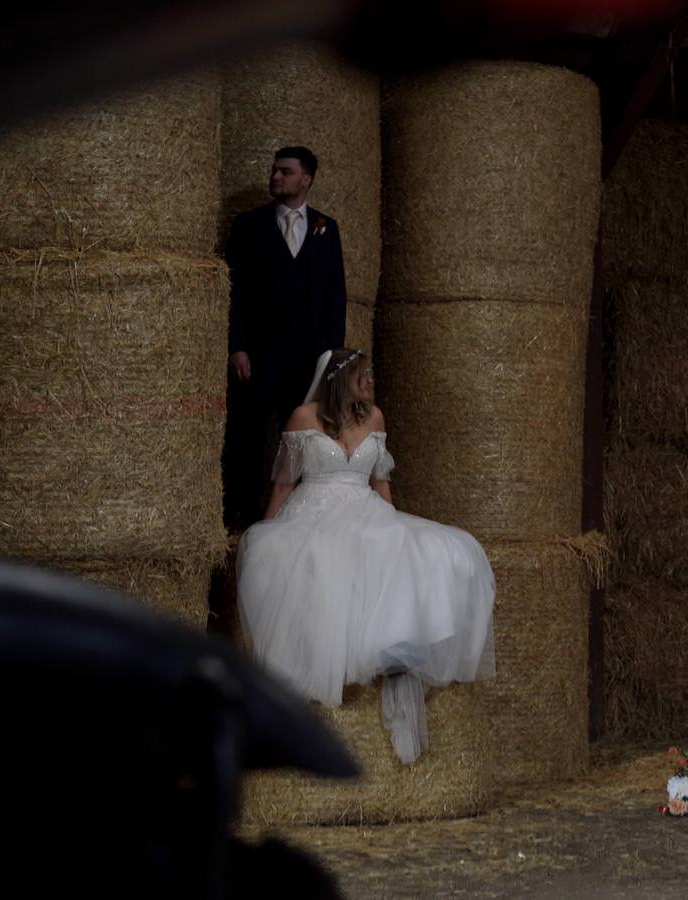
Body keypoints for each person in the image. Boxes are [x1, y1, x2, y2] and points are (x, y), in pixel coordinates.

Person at [236, 349, 495, 763]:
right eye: (363, 374)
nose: (370, 380)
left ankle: (396, 657)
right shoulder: (303, 417)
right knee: (314, 560)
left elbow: (381, 484)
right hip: (314, 510)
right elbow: (284, 485)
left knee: (441, 549)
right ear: (342, 377)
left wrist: (394, 524)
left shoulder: (374, 418)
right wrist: (266, 532)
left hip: (364, 507)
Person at [223, 146, 348, 526]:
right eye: (274, 170)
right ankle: (238, 515)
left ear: (305, 180)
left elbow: (335, 296)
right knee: (249, 435)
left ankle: (300, 517)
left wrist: (331, 360)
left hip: (308, 358)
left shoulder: (326, 228)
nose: (276, 177)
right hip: (259, 354)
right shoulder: (248, 226)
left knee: (304, 439)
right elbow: (236, 291)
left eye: (286, 172)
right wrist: (238, 345)